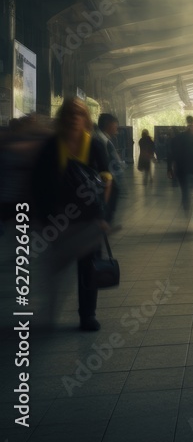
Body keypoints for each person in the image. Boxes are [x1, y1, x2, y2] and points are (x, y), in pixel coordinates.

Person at [31, 98, 112, 331]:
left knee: (89, 267)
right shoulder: (51, 147)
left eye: (79, 114)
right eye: (69, 114)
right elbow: (39, 184)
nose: (74, 119)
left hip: (89, 219)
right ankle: (51, 309)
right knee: (56, 267)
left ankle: (87, 315)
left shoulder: (94, 145)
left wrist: (103, 216)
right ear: (63, 119)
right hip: (59, 219)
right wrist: (45, 217)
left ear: (85, 119)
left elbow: (107, 180)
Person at [169, 116, 193, 227]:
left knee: (185, 192)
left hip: (182, 170)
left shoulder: (177, 138)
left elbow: (171, 154)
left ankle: (187, 207)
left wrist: (169, 168)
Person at [94, 113, 124, 224]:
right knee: (106, 208)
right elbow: (104, 163)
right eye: (115, 123)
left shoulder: (104, 138)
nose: (117, 126)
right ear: (108, 124)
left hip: (109, 181)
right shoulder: (100, 140)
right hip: (106, 182)